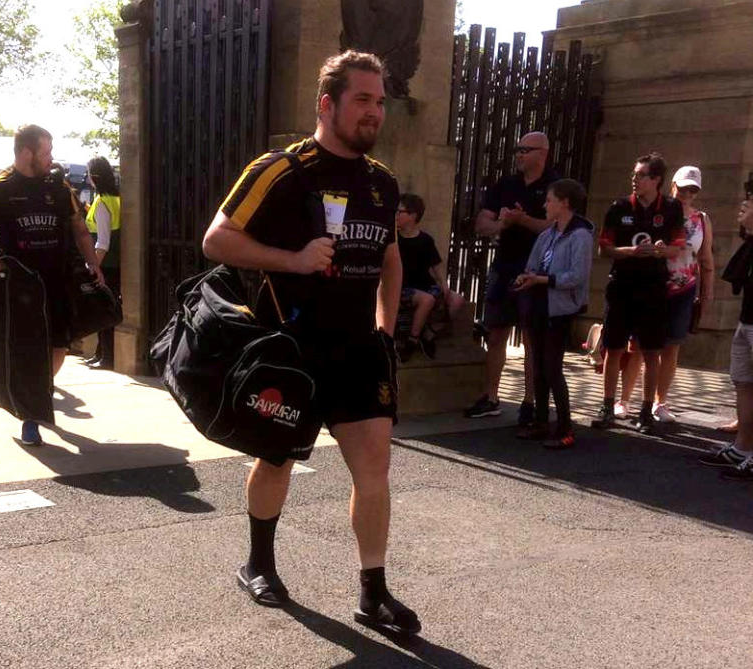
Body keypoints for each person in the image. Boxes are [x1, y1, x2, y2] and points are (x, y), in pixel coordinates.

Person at [202, 50, 420, 637]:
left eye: (380, 101)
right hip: (291, 352)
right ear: (328, 104)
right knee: (275, 461)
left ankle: (372, 591)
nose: (375, 111)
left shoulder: (382, 181)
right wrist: (293, 259)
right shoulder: (281, 170)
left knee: (374, 471)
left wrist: (385, 325)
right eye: (363, 100)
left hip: (357, 352)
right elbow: (216, 240)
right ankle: (258, 563)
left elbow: (391, 260)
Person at [0, 125, 104, 446]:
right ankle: (30, 416)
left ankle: (39, 390)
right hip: (18, 287)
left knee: (59, 347)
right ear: (27, 153)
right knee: (25, 351)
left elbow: (80, 229)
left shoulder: (59, 187)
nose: (51, 158)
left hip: (56, 281)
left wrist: (93, 263)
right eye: (46, 152)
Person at [464, 132, 557, 423]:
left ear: (542, 153)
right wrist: (501, 223)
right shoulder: (506, 184)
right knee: (496, 333)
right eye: (517, 149)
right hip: (504, 266)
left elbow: (554, 228)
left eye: (524, 149)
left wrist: (523, 220)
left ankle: (530, 402)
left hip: (536, 270)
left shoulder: (554, 186)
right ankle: (491, 397)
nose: (517, 154)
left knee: (531, 338)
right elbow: (481, 223)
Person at [591, 152, 685, 435]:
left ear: (656, 179)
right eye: (634, 174)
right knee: (614, 346)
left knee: (651, 350)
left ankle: (646, 410)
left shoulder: (671, 208)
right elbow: (603, 249)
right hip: (622, 285)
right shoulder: (619, 207)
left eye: (641, 175)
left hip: (654, 287)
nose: (635, 179)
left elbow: (676, 247)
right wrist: (629, 252)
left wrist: (659, 250)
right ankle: (608, 405)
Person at [616, 166, 715, 422]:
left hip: (684, 288)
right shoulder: (660, 211)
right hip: (652, 283)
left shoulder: (701, 219)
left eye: (693, 189)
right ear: (672, 185)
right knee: (638, 344)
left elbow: (706, 259)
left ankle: (660, 403)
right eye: (683, 188)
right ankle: (624, 399)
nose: (687, 193)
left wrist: (706, 295)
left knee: (671, 346)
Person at [513, 179, 594, 449]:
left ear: (565, 203)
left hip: (559, 309)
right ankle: (540, 421)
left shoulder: (580, 235)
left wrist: (543, 280)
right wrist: (527, 277)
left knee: (552, 367)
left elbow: (577, 276)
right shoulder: (547, 234)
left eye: (549, 200)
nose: (545, 205)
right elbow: (533, 264)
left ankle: (565, 427)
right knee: (538, 366)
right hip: (539, 304)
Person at [699, 198, 753, 481]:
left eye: (751, 203)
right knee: (744, 382)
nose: (743, 205)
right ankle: (743, 448)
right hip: (747, 321)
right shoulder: (749, 243)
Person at [395, 192, 453, 361]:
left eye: (400, 211)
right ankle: (412, 342)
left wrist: (444, 284)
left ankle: (428, 335)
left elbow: (436, 265)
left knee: (455, 301)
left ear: (413, 215)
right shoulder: (393, 239)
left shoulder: (425, 240)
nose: (396, 215)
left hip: (424, 285)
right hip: (403, 288)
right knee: (427, 300)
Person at [83, 156, 121, 370]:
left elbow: (103, 242)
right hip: (114, 264)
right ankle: (101, 353)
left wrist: (93, 266)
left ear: (93, 176)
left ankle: (106, 357)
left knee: (104, 312)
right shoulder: (116, 199)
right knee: (108, 310)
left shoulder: (101, 202)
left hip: (105, 265)